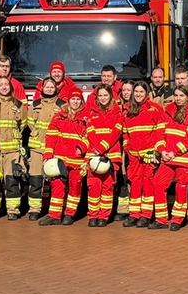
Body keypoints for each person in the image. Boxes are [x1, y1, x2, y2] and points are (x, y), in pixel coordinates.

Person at [151, 86, 188, 231]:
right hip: (167, 158)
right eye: (176, 95)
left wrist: (174, 151)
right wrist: (162, 151)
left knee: (182, 189)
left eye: (181, 95)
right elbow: (159, 134)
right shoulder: (167, 112)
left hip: (184, 160)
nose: (178, 98)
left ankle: (177, 220)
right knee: (158, 184)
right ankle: (161, 219)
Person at [38, 86, 89, 226]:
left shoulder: (86, 119)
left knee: (75, 187)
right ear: (68, 100)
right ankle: (54, 215)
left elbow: (90, 136)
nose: (75, 102)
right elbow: (51, 138)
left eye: (78, 99)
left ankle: (69, 214)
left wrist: (82, 147)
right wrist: (48, 155)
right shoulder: (58, 117)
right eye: (73, 99)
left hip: (77, 160)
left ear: (82, 101)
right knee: (57, 187)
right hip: (59, 159)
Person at [121, 81, 165, 228]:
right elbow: (125, 132)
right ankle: (134, 214)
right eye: (136, 92)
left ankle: (146, 215)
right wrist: (126, 146)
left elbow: (161, 132)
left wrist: (156, 151)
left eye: (141, 92)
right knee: (134, 184)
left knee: (147, 184)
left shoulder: (155, 109)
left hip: (149, 155)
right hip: (133, 155)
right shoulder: (128, 110)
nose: (138, 94)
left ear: (147, 94)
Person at [0, 76, 28, 220]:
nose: (4, 87)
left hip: (12, 151)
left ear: (10, 87)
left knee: (12, 181)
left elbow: (23, 125)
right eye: (1, 85)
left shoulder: (18, 104)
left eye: (6, 85)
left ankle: (13, 211)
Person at [27, 78, 65, 221]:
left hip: (55, 149)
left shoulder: (62, 105)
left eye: (52, 87)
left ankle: (54, 211)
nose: (49, 89)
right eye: (47, 87)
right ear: (42, 88)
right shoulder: (35, 105)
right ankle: (34, 210)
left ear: (56, 89)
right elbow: (30, 124)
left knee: (55, 182)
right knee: (36, 180)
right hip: (37, 148)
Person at [84, 85, 122, 227]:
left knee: (107, 188)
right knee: (93, 186)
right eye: (100, 96)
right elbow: (90, 130)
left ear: (111, 96)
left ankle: (103, 217)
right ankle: (92, 216)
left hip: (111, 155)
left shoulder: (118, 112)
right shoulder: (91, 111)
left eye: (105, 95)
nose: (103, 98)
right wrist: (97, 148)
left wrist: (102, 148)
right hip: (94, 155)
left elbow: (116, 132)